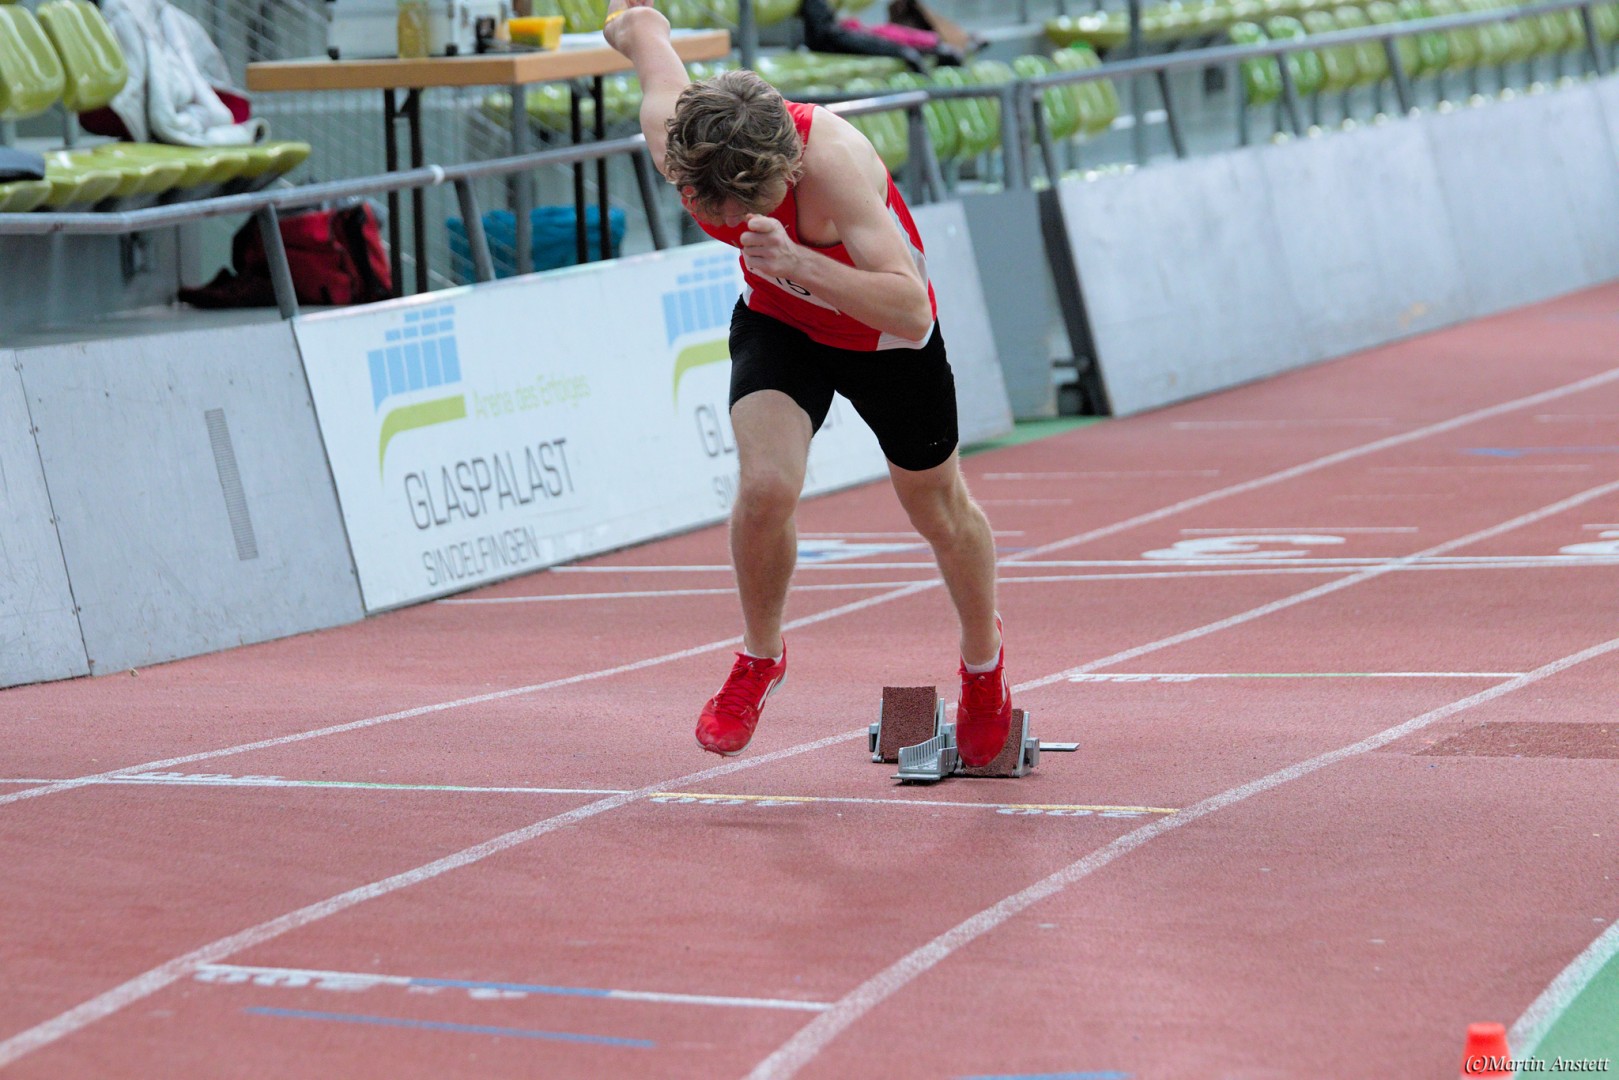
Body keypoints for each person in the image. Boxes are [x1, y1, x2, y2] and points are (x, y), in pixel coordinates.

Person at [603, 0, 1012, 767]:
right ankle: (760, 657)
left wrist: (798, 263)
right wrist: (634, 23)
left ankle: (982, 667)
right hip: (781, 323)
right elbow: (647, 44)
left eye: (742, 206)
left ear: (784, 172)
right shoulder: (685, 147)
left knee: (938, 510)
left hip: (882, 336)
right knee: (765, 489)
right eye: (709, 206)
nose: (723, 217)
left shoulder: (833, 163)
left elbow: (910, 307)